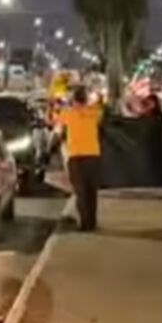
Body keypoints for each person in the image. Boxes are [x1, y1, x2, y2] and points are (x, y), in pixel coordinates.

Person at [59, 86, 103, 231]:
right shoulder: (94, 113)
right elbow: (102, 108)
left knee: (81, 192)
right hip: (93, 156)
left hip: (76, 157)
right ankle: (92, 221)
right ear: (85, 99)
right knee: (91, 192)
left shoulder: (67, 114)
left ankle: (85, 224)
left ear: (74, 100)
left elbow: (54, 122)